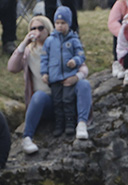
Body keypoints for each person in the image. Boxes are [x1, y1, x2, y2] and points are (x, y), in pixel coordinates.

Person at [7, 15, 92, 154]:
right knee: (38, 96)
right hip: (48, 101)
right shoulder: (29, 51)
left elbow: (83, 67)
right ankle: (27, 138)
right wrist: (23, 44)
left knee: (84, 84)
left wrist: (76, 77)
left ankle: (82, 124)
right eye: (33, 28)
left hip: (67, 97)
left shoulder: (62, 44)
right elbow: (12, 68)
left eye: (41, 28)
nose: (37, 31)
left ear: (48, 29)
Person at [41, 7, 86, 138]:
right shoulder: (49, 41)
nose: (60, 26)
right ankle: (59, 125)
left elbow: (81, 55)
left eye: (63, 23)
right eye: (57, 23)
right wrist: (44, 73)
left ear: (69, 23)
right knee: (57, 102)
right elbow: (44, 58)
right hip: (54, 77)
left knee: (68, 100)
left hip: (68, 76)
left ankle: (70, 124)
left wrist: (75, 61)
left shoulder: (74, 40)